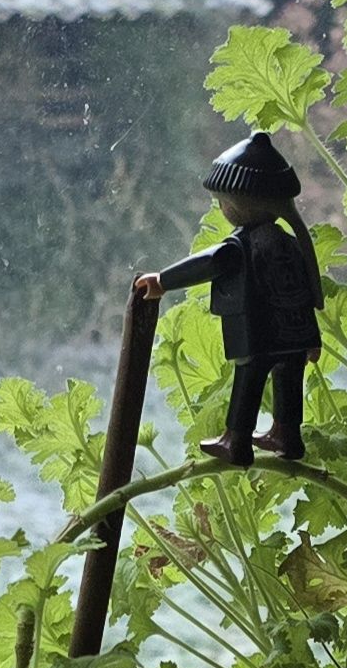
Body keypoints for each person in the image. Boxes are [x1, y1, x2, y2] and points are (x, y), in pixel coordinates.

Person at [135, 131, 323, 467]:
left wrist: (163, 281)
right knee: (289, 383)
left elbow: (205, 264)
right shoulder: (291, 244)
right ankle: (287, 436)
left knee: (248, 383)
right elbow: (305, 292)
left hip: (257, 333)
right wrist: (312, 339)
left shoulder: (239, 247)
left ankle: (236, 441)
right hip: (294, 334)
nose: (221, 208)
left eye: (222, 203)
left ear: (238, 205)